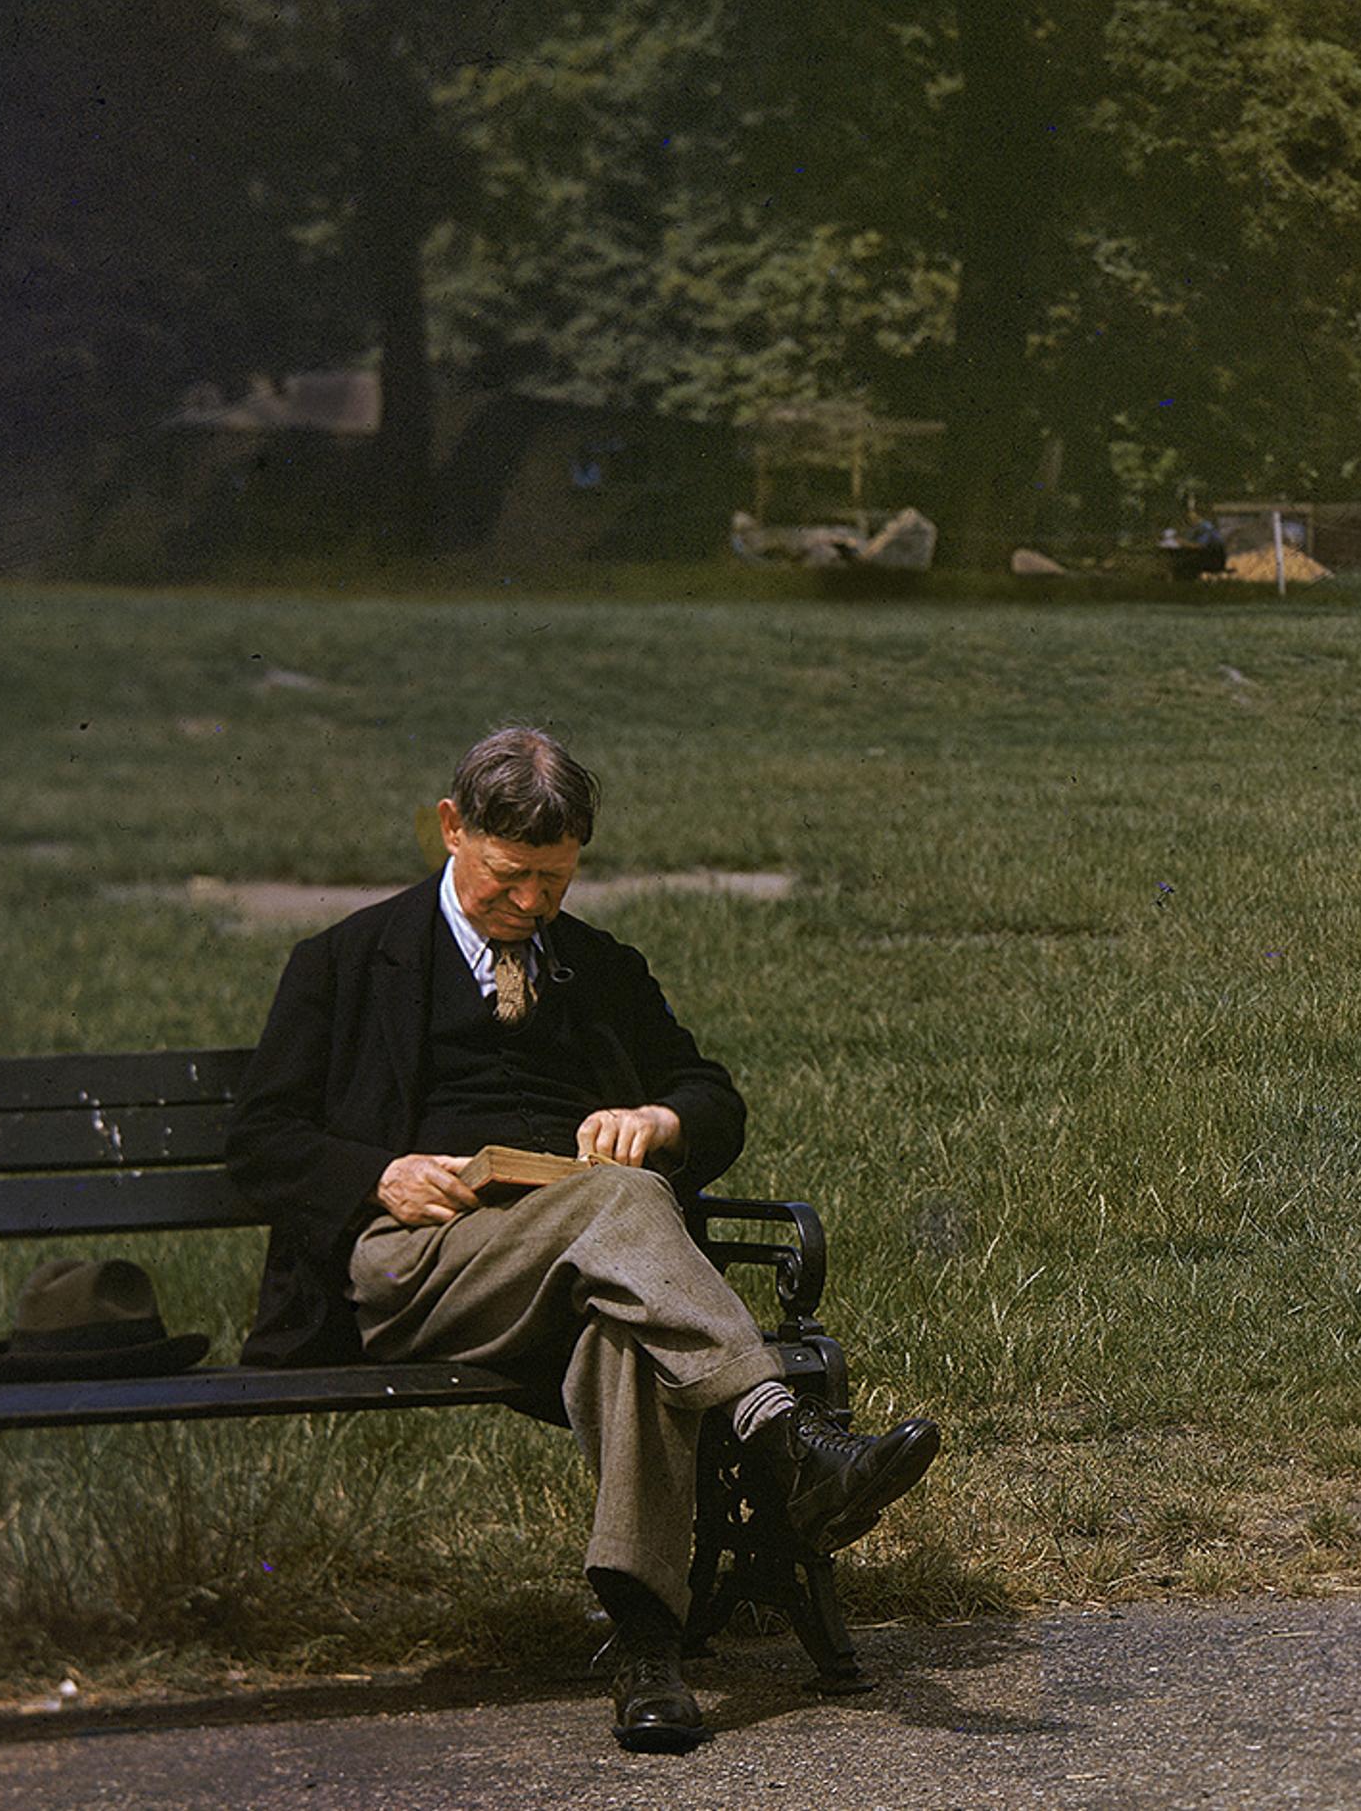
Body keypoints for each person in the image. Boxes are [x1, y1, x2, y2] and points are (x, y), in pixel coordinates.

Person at [226, 728, 942, 1754]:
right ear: (450, 827)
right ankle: (784, 1435)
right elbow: (259, 1140)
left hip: (585, 1266)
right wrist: (375, 1173)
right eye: (511, 877)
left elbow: (714, 1097)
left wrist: (661, 1122)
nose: (531, 906)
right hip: (418, 1257)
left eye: (556, 883)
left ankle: (648, 1646)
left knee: (631, 1333)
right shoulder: (346, 961)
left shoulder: (599, 967)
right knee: (623, 1202)